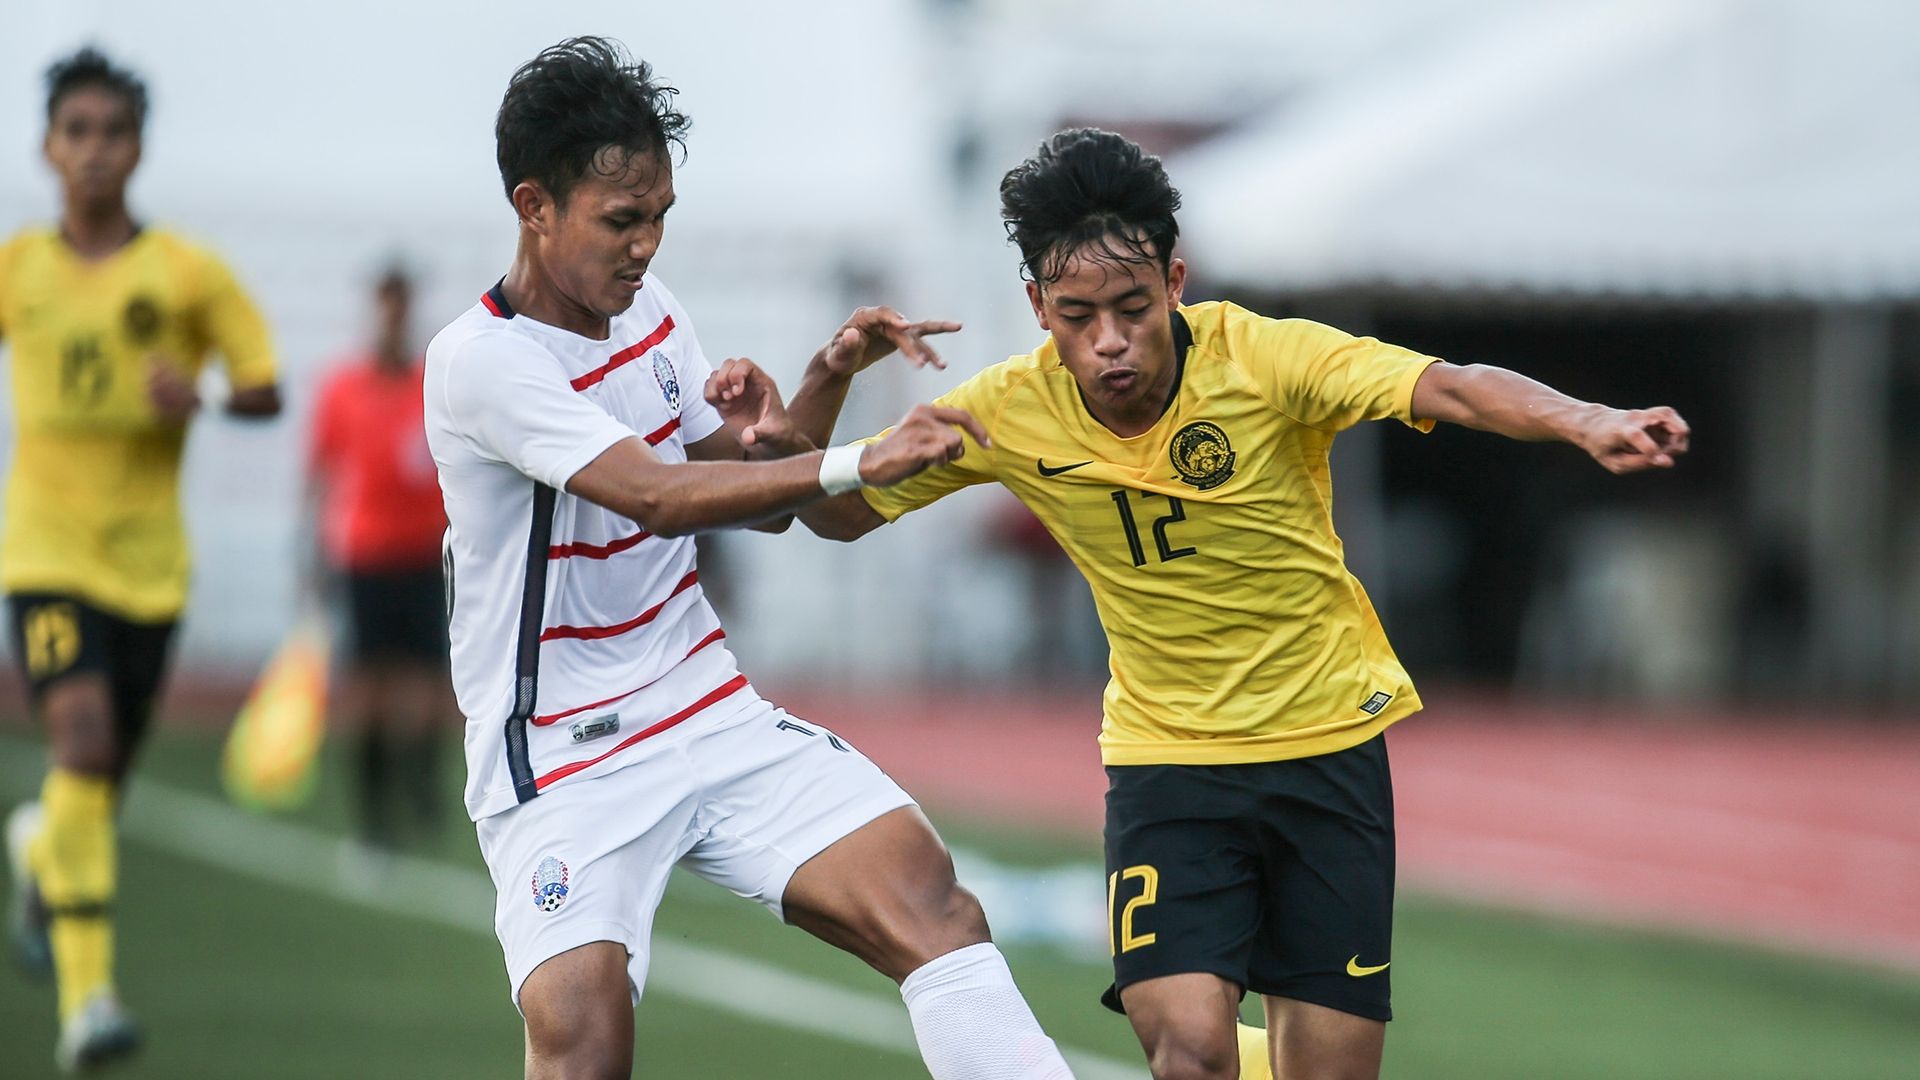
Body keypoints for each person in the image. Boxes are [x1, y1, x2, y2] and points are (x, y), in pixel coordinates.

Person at [787, 128, 1691, 1080]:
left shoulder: (1265, 358)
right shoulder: (1006, 409)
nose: (1108, 341)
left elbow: (1450, 388)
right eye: (1077, 314)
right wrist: (828, 379)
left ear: (1175, 280)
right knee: (1190, 1051)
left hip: (1325, 749)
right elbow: (833, 518)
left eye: (1132, 308)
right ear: (1036, 307)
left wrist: (1587, 420)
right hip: (1167, 763)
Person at [426, 38, 1073, 1079]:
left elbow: (749, 489)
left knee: (933, 905)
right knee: (583, 1049)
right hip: (563, 754)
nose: (645, 246)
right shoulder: (481, 362)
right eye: (621, 221)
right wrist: (862, 458)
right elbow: (655, 494)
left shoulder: (651, 311)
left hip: (705, 705)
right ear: (535, 205)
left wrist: (823, 381)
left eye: (660, 217)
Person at [0, 47, 282, 1072]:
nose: (92, 151)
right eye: (75, 131)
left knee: (96, 789)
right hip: (43, 551)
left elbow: (265, 384)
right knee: (78, 748)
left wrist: (199, 396)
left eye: (110, 132)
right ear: (47, 145)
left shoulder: (184, 274)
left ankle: (37, 848)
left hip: (151, 568)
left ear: (137, 147)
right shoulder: (18, 267)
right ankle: (90, 1003)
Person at [306, 267, 450, 858]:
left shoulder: (430, 386)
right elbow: (320, 474)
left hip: (424, 555)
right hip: (365, 556)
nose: (394, 315)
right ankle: (372, 816)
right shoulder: (343, 388)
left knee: (424, 689)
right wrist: (313, 553)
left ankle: (420, 786)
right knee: (367, 690)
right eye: (386, 303)